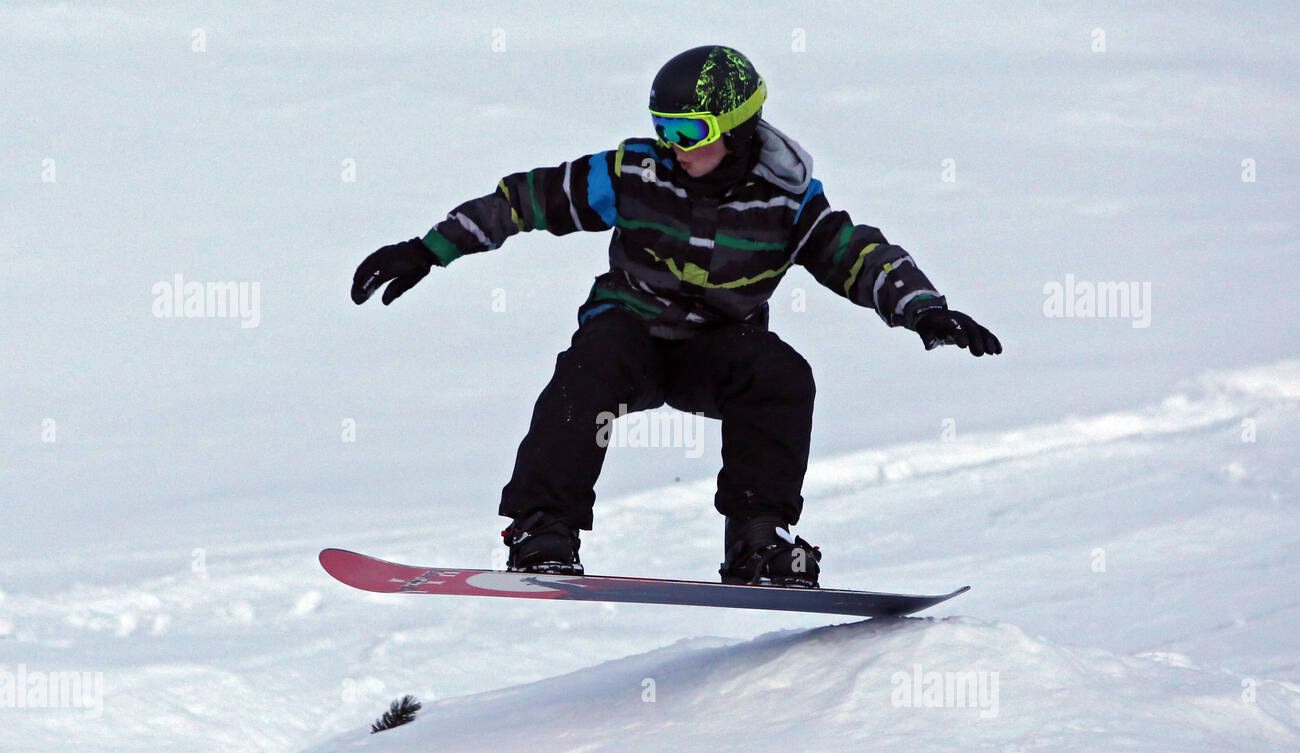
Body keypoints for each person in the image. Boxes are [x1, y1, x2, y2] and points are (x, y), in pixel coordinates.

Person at [351, 44, 1002, 588]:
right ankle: (542, 530)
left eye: (689, 130)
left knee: (781, 375)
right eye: (663, 127)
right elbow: (527, 200)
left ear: (737, 128)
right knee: (590, 367)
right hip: (631, 326)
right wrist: (428, 250)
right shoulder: (635, 173)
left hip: (716, 347)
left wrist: (924, 309)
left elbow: (856, 255)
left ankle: (758, 541)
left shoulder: (787, 202)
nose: (674, 145)